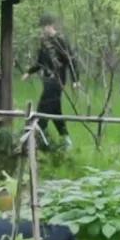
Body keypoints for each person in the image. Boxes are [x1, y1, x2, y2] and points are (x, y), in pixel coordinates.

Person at [22, 13, 79, 149]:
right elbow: (40, 62)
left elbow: (71, 60)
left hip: (57, 80)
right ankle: (65, 140)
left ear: (51, 26)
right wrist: (29, 72)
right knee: (54, 111)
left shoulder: (61, 40)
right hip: (47, 80)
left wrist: (76, 79)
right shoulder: (44, 42)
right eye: (42, 27)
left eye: (45, 27)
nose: (43, 30)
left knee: (43, 108)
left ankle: (39, 139)